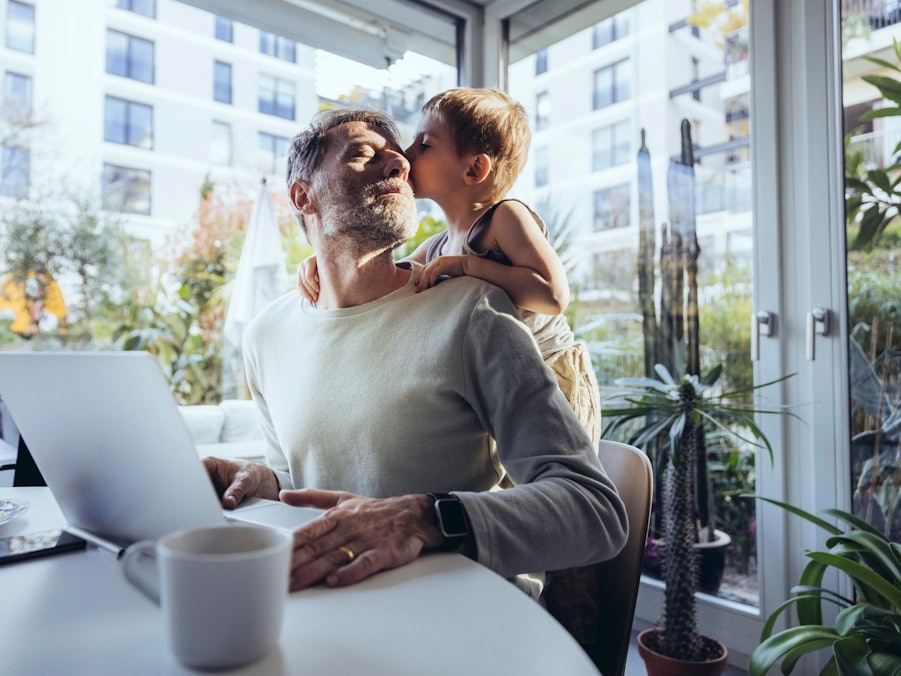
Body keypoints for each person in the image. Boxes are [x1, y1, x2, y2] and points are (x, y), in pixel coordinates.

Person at [204, 107, 627, 602]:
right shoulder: (266, 335)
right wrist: (258, 480)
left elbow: (594, 510)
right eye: (364, 153)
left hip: (462, 617)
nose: (400, 164)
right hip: (330, 605)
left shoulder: (472, 311)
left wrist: (426, 518)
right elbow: (302, 482)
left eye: (402, 156)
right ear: (303, 196)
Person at [299, 88, 601, 447]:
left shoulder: (505, 217)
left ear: (475, 168)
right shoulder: (442, 244)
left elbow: (553, 294)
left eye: (424, 145)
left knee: (551, 485)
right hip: (504, 384)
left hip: (554, 376)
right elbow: (390, 271)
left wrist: (468, 266)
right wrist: (324, 257)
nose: (405, 156)